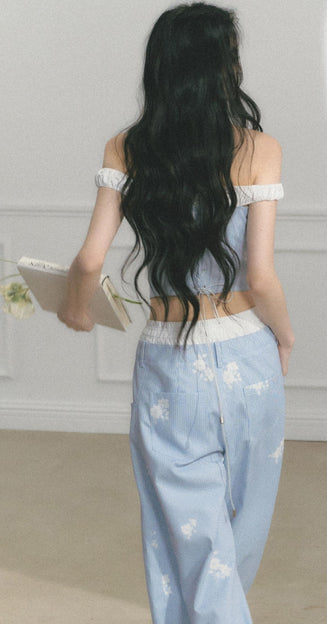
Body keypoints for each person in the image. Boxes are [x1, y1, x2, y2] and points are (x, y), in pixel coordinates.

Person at [57, 2, 295, 622]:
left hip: (170, 362)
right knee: (241, 527)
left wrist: (76, 309)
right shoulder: (260, 148)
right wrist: (285, 336)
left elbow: (89, 260)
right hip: (249, 355)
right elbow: (261, 276)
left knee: (186, 535)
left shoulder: (126, 148)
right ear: (224, 66)